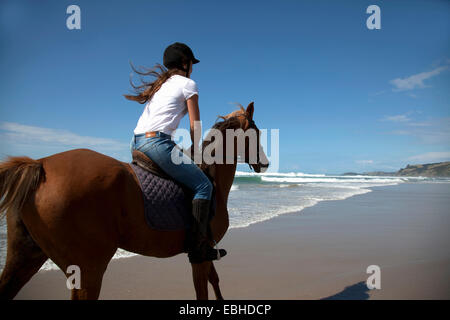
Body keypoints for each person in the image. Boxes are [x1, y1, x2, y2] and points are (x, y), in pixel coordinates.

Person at [125, 42, 226, 264]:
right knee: (203, 185)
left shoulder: (160, 85)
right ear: (185, 63)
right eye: (192, 63)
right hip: (157, 144)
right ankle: (199, 247)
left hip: (136, 143)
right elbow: (194, 125)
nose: (193, 68)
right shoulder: (188, 84)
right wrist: (196, 149)